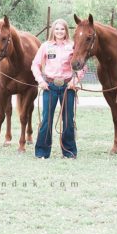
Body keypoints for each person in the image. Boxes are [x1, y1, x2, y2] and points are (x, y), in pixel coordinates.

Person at [31, 18, 86, 159]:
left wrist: (75, 80)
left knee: (68, 121)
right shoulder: (45, 46)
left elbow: (82, 66)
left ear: (66, 31)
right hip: (49, 86)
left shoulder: (73, 46)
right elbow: (35, 65)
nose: (59, 31)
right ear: (53, 31)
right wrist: (40, 81)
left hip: (68, 87)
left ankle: (69, 153)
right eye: (57, 29)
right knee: (46, 120)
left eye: (62, 29)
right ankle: (42, 153)